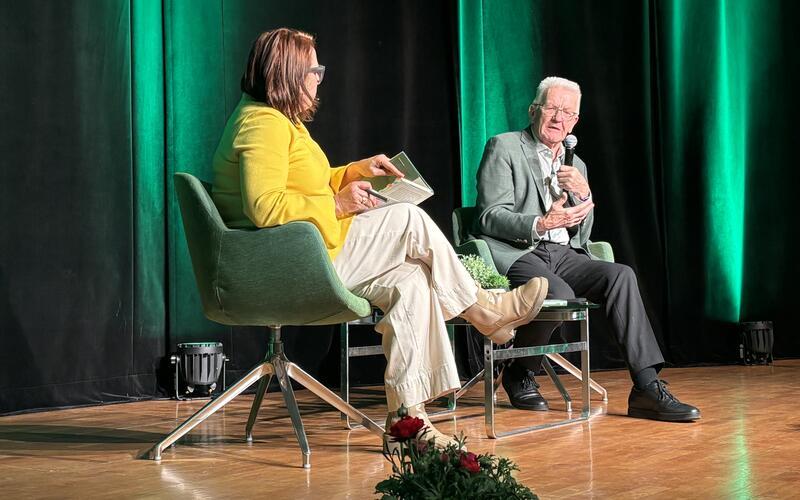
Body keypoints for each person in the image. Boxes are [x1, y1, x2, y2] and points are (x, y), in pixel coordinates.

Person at [211, 28, 549, 449]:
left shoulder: (281, 122)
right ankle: (482, 309)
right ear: (289, 73)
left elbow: (307, 182)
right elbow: (265, 207)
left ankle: (409, 424)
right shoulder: (262, 124)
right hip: (284, 266)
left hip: (306, 253)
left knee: (411, 280)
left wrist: (358, 171)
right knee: (407, 218)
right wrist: (338, 204)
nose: (319, 79)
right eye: (314, 70)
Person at [473, 76, 700, 422]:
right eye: (552, 108)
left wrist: (584, 194)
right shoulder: (503, 147)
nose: (558, 118)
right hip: (519, 252)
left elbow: (582, 233)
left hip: (565, 254)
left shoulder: (576, 165)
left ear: (575, 121)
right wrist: (540, 223)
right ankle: (521, 370)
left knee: (621, 275)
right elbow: (489, 216)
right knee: (556, 293)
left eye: (567, 113)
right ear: (533, 110)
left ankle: (646, 386)